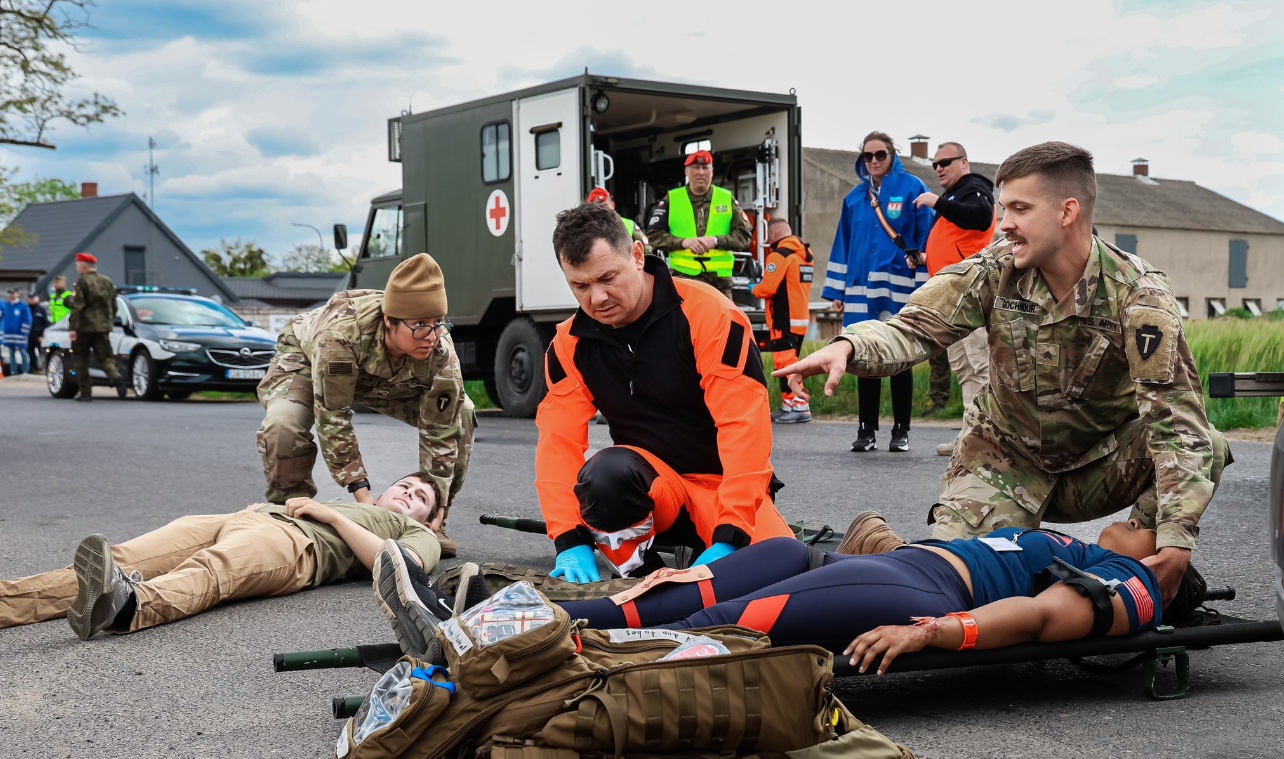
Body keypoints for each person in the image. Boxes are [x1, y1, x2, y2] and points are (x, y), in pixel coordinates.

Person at [778, 141, 1230, 603]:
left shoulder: (1137, 295)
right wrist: (848, 345)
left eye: (1019, 208)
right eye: (1003, 208)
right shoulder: (995, 269)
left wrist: (1175, 544)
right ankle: (879, 545)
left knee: (1206, 444)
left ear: (1067, 212)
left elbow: (1176, 423)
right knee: (952, 591)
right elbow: (914, 328)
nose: (1005, 223)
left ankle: (1139, 564)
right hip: (1003, 464)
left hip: (1097, 466)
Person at [378, 517, 1182, 672]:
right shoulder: (1075, 540)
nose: (1132, 519)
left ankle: (481, 648)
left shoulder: (1133, 583)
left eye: (1147, 522)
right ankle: (465, 617)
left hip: (920, 592)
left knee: (714, 626)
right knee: (658, 600)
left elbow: (1046, 617)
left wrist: (938, 633)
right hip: (898, 562)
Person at [536, 202, 792, 585]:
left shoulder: (711, 315)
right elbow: (557, 445)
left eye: (608, 277)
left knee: (781, 578)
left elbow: (744, 428)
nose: (598, 298)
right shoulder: (567, 345)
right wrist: (568, 538)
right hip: (654, 493)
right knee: (603, 476)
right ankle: (641, 576)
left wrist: (732, 534)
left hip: (723, 488)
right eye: (581, 286)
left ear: (637, 256)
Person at [0, 473, 444, 639]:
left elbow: (399, 564)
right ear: (384, 490)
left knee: (211, 571)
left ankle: (128, 608)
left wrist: (334, 518)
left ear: (434, 518)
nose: (409, 494)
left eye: (421, 496)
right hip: (243, 518)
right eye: (404, 485)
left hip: (294, 548)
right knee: (121, 556)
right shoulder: (362, 505)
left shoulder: (416, 532)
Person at [256, 253, 472, 558]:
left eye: (439, 324)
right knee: (284, 423)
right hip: (307, 359)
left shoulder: (439, 350)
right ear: (389, 321)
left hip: (390, 373)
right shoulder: (339, 335)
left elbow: (442, 430)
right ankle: (288, 515)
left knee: (462, 412)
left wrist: (440, 503)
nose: (431, 335)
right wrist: (364, 497)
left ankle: (430, 524)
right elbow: (333, 415)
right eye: (420, 326)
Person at [820, 132, 933, 454]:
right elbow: (842, 242)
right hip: (859, 288)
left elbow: (926, 236)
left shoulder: (912, 187)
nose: (873, 161)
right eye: (868, 156)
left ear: (891, 155)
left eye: (880, 154)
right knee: (863, 356)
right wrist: (836, 290)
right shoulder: (855, 197)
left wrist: (924, 284)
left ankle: (901, 430)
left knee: (901, 358)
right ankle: (866, 429)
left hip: (899, 286)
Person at [913, 142, 997, 456]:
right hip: (953, 295)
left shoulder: (973, 188)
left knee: (975, 364)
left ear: (964, 162)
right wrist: (925, 257)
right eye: (935, 164)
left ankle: (981, 437)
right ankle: (969, 435)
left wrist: (937, 203)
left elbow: (980, 217)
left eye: (945, 161)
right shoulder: (954, 195)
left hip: (969, 294)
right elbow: (957, 238)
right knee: (963, 365)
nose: (939, 168)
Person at [645, 151, 753, 295]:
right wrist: (683, 242)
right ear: (686, 171)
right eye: (695, 167)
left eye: (705, 168)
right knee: (682, 318)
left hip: (719, 283)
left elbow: (745, 235)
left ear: (712, 172)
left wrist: (715, 241)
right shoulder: (672, 198)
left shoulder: (726, 198)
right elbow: (652, 236)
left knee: (723, 318)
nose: (701, 172)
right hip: (683, 279)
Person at [751, 217, 814, 423]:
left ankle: (799, 406)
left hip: (782, 320)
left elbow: (767, 288)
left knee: (785, 364)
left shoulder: (779, 255)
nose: (768, 240)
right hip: (799, 319)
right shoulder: (805, 254)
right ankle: (788, 406)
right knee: (789, 364)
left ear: (775, 234)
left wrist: (753, 286)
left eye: (769, 235)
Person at [68, 253, 127, 400]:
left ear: (83, 266)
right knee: (105, 357)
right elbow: (114, 305)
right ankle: (115, 377)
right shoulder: (107, 281)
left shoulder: (82, 282)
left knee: (81, 359)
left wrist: (72, 328)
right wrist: (108, 322)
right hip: (103, 327)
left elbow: (77, 307)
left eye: (77, 265)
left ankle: (85, 392)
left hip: (84, 328)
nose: (77, 268)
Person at [2, 287, 31, 375]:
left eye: (13, 293)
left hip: (20, 333)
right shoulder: (6, 305)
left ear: (17, 294)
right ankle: (13, 370)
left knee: (23, 352)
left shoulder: (23, 306)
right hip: (9, 333)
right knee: (11, 352)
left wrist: (24, 331)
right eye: (10, 293)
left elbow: (27, 319)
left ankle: (25, 370)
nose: (12, 295)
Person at [26, 291, 50, 372]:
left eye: (33, 298)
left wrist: (42, 336)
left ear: (37, 298)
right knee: (30, 353)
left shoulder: (41, 310)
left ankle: (43, 368)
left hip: (39, 336)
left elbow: (46, 323)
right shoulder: (26, 308)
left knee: (42, 353)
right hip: (29, 336)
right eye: (30, 298)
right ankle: (33, 368)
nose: (32, 300)